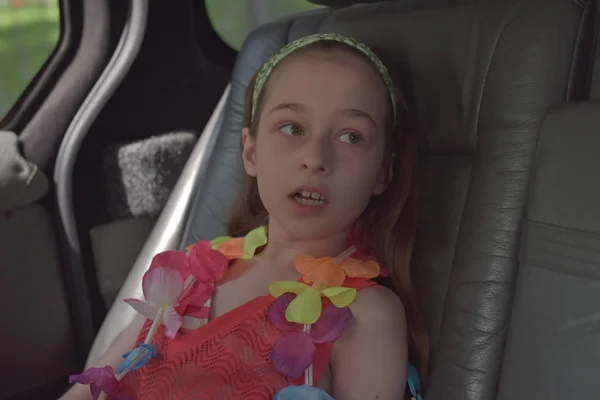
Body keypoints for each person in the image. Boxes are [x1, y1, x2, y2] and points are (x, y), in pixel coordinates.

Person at [61, 33, 429, 400]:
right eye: (292, 128)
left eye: (351, 137)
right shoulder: (188, 277)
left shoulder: (366, 314)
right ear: (250, 152)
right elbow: (90, 390)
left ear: (383, 172)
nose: (315, 157)